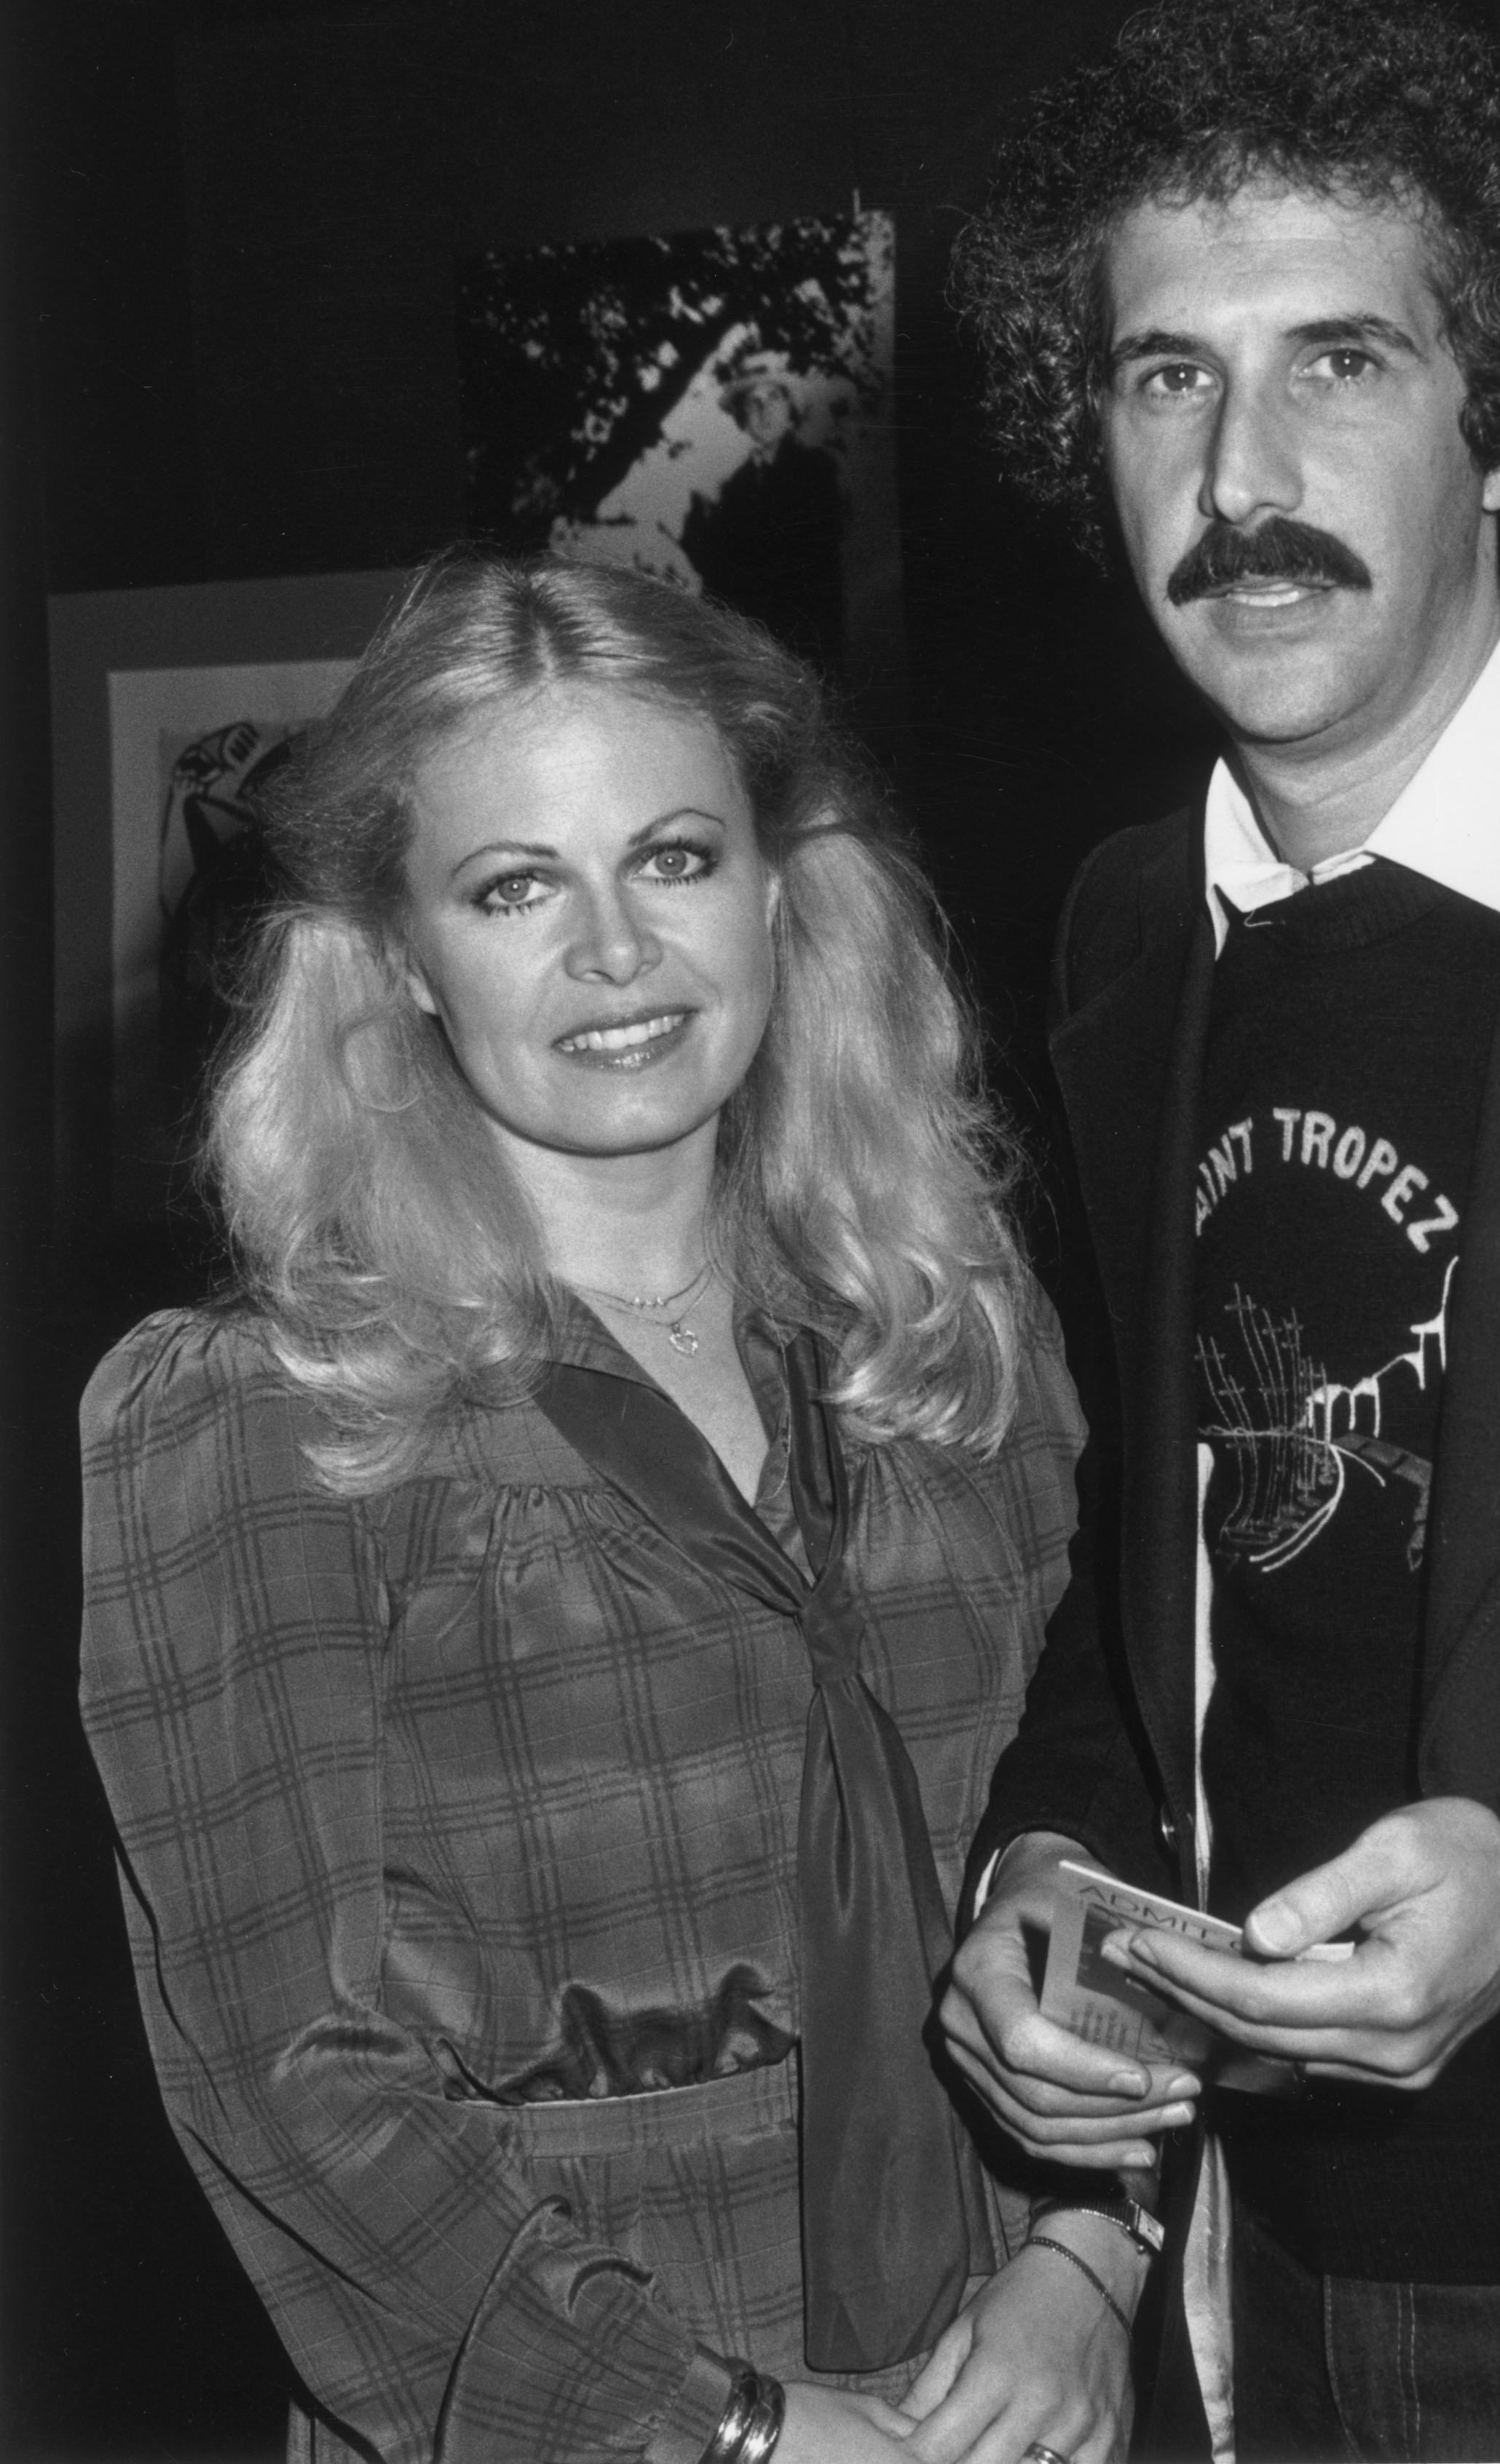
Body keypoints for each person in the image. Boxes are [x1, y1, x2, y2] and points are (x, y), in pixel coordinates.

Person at [936, 0, 1500, 2462]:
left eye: (1336, 361)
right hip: (1261, 2287)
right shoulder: (1129, 927)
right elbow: (1175, 1547)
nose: (1237, 469)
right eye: (1157, 378)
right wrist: (1053, 1870)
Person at [79, 556, 1139, 2464]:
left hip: (1022, 2401)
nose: (615, 951)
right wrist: (719, 2426)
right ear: (399, 952)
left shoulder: (967, 1353)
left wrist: (1094, 2253)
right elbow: (285, 2081)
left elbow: (1132, 1821)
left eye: (671, 857)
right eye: (512, 887)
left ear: (773, 885)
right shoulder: (259, 1422)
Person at [683, 356, 848, 678]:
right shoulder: (733, 489)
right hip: (749, 653)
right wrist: (701, 541)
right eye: (753, 403)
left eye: (774, 397)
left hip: (804, 643)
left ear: (790, 410)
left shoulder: (816, 469)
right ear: (743, 418)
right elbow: (719, 584)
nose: (764, 410)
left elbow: (807, 558)